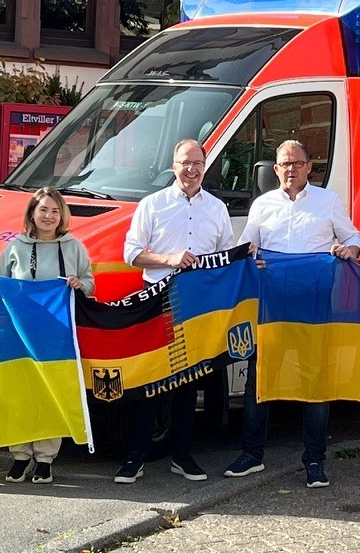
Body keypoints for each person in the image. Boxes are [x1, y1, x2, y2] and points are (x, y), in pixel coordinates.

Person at [224, 139, 360, 489]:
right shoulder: (262, 204)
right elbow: (246, 247)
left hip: (314, 305)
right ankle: (252, 455)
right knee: (260, 379)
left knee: (314, 383)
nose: (290, 170)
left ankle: (315, 460)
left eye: (297, 164)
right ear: (275, 170)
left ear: (308, 168)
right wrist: (249, 258)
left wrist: (349, 249)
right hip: (271, 306)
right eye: (284, 164)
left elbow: (355, 238)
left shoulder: (327, 201)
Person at [116, 138, 233, 484]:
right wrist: (168, 259)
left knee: (187, 385)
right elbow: (131, 253)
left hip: (198, 306)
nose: (192, 169)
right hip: (158, 301)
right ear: (174, 166)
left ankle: (182, 455)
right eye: (185, 163)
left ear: (205, 166)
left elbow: (226, 256)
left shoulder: (217, 208)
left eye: (197, 163)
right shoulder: (152, 204)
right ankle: (135, 457)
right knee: (150, 379)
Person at [0, 187, 94, 485]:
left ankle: (46, 459)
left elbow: (90, 282)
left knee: (51, 394)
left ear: (62, 216)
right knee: (20, 393)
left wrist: (79, 283)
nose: (48, 216)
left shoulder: (74, 247)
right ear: (32, 213)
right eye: (43, 210)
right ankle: (21, 456)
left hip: (56, 335)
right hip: (19, 335)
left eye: (55, 211)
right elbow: (2, 282)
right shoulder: (15, 247)